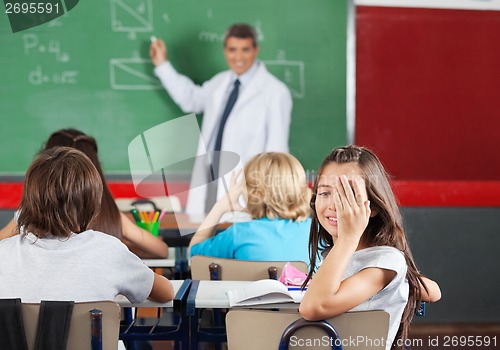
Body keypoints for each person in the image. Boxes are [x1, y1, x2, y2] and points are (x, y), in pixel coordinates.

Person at [299, 145, 441, 350]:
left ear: (372, 207)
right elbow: (431, 291)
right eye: (324, 193)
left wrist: (348, 238)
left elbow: (313, 307)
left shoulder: (385, 262)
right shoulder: (334, 255)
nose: (333, 205)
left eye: (347, 195)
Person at [0, 146, 174, 303]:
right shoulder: (109, 251)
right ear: (92, 204)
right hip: (89, 340)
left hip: (15, 340)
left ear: (28, 201)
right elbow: (166, 293)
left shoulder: (3, 253)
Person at [150, 23, 292, 214]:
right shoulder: (220, 82)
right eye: (232, 50)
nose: (238, 57)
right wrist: (162, 65)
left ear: (255, 50)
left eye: (245, 50)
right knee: (207, 236)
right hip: (209, 179)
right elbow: (190, 99)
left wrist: (269, 199)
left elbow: (278, 149)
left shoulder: (275, 92)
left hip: (248, 187)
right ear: (225, 50)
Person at [0, 129, 169, 259]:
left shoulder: (27, 218)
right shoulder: (110, 217)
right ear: (91, 173)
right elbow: (162, 251)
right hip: (106, 304)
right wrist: (121, 249)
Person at [188, 152, 311, 263]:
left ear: (250, 192)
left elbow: (193, 255)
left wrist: (220, 207)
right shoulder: (315, 231)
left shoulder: (238, 233)